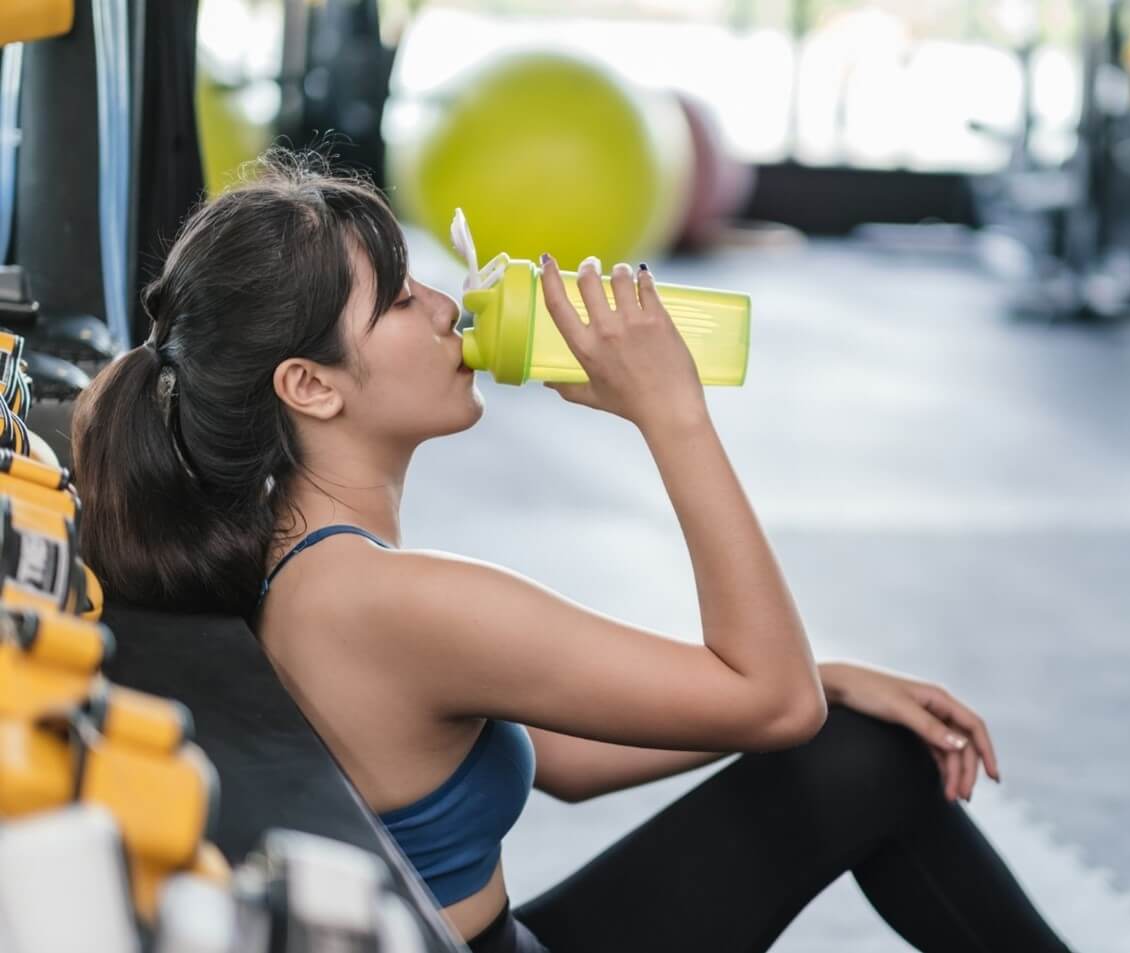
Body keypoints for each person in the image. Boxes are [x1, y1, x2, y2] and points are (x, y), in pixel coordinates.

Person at [70, 150, 1074, 953]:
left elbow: (561, 753)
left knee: (859, 750)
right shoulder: (380, 595)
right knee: (852, 749)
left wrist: (830, 679)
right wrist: (669, 413)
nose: (448, 308)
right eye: (400, 300)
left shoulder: (319, 565)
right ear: (310, 386)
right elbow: (769, 701)